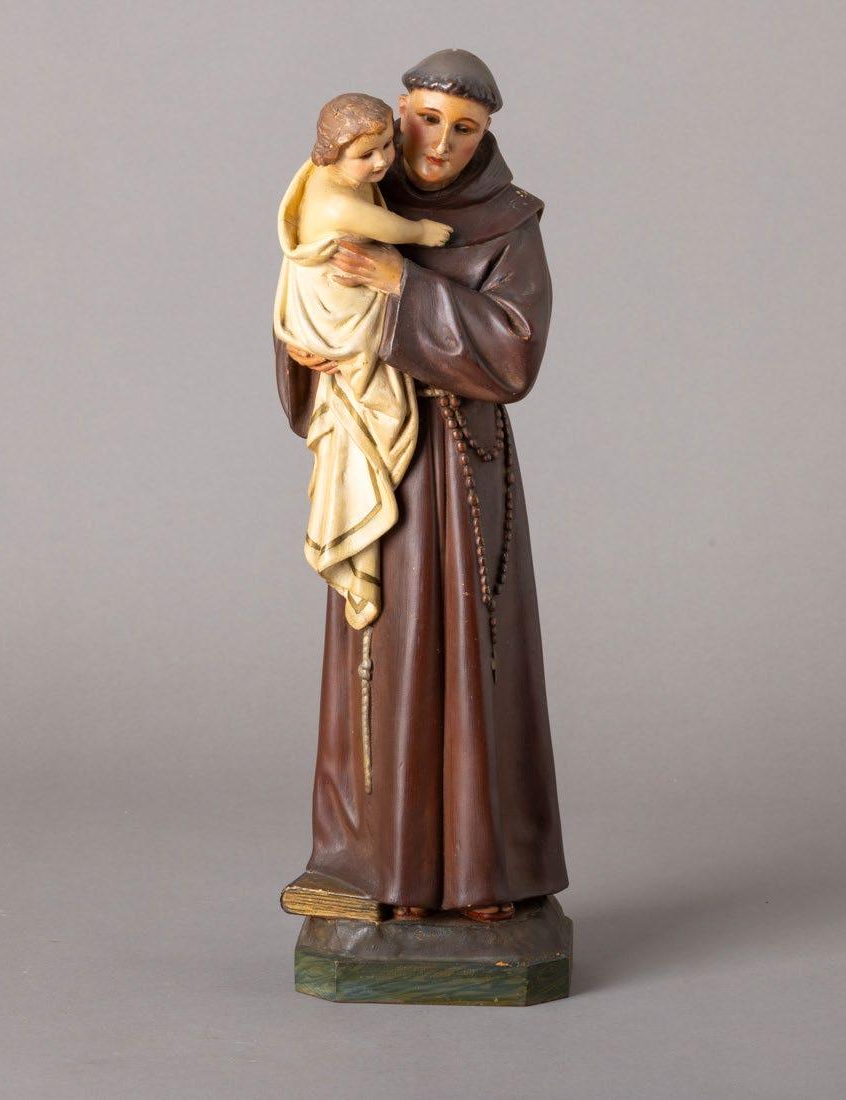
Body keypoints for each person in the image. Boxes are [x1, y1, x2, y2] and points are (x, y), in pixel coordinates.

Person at [276, 49, 567, 922]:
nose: (439, 143)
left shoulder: (508, 223)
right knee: (388, 652)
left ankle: (481, 878)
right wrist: (305, 348)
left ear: (487, 136)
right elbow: (306, 278)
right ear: (397, 113)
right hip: (378, 461)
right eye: (426, 120)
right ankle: (383, 871)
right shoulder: (360, 192)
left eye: (464, 129)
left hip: (461, 464)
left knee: (472, 656)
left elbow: (514, 350)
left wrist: (403, 282)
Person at [274, 93, 451, 633]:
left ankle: (361, 561)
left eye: (387, 147)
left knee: (363, 427)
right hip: (341, 320)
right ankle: (357, 558)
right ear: (330, 154)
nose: (381, 163)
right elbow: (392, 230)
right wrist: (421, 233)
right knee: (372, 410)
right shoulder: (339, 203)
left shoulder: (328, 178)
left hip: (346, 312)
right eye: (366, 155)